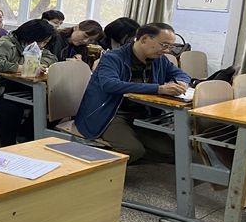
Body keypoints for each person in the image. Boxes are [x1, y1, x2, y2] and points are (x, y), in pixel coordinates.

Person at [75, 23, 190, 164]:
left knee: (174, 153)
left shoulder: (159, 59)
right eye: (164, 45)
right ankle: (95, 164)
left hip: (142, 114)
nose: (166, 50)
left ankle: (128, 153)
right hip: (110, 113)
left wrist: (182, 82)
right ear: (144, 39)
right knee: (133, 151)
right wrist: (158, 89)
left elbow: (181, 74)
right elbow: (109, 84)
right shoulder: (113, 57)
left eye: (170, 47)